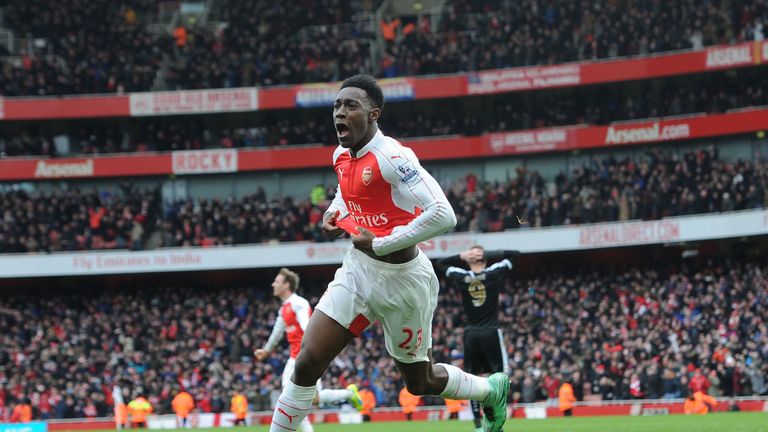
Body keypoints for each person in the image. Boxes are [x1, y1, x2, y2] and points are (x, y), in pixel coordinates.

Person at [266, 74, 509, 432]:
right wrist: (334, 212)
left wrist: (381, 243)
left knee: (420, 382)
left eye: (351, 105)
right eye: (336, 105)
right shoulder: (340, 155)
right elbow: (346, 191)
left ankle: (490, 389)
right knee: (307, 363)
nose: (340, 112)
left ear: (374, 114)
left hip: (405, 282)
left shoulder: (393, 156)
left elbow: (445, 214)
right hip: (358, 271)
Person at [254, 268, 365, 432]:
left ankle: (348, 394)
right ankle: (348, 394)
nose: (273, 284)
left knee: (294, 400)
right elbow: (277, 333)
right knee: (306, 399)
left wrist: (316, 346)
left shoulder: (298, 303)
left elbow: (308, 326)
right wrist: (266, 350)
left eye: (277, 281)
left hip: (305, 358)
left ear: (286, 285)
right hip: (295, 358)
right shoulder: (283, 309)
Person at [437, 246, 518, 431]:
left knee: (472, 378)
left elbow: (441, 263)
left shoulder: (462, 275)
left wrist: (462, 255)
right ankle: (496, 422)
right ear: (485, 259)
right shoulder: (493, 273)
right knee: (500, 377)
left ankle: (477, 424)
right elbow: (515, 255)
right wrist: (487, 253)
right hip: (490, 331)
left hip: (471, 334)